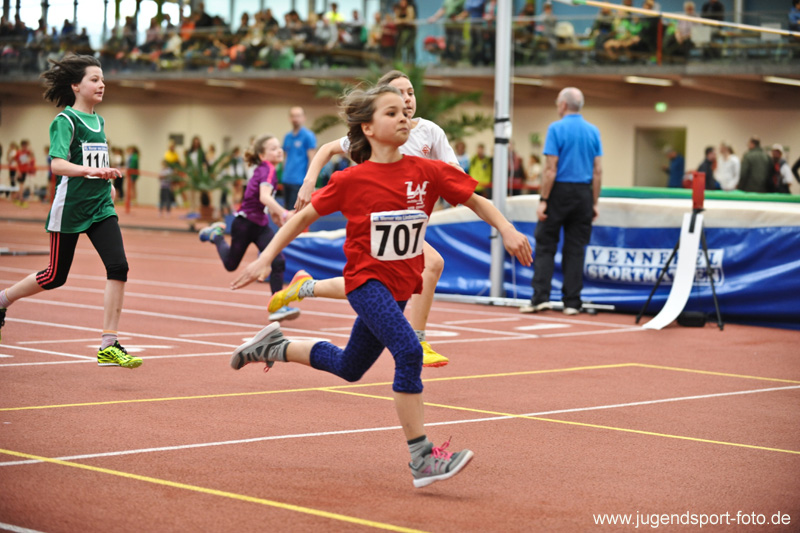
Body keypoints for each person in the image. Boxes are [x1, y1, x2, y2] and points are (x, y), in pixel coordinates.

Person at [228, 84, 532, 488]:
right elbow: (301, 219)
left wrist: (507, 229)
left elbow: (477, 200)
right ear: (368, 128)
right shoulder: (351, 179)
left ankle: (274, 346)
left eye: (404, 111)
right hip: (366, 282)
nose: (403, 116)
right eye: (391, 112)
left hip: (400, 287)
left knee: (350, 367)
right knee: (409, 351)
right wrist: (265, 258)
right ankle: (422, 458)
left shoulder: (427, 172)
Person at [285, 70, 460, 369]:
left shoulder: (430, 131)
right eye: (399, 93)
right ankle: (418, 340)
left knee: (369, 290)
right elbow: (327, 149)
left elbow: (455, 173)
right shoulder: (378, 131)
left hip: (405, 229)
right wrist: (309, 182)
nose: (407, 99)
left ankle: (305, 287)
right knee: (430, 264)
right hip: (375, 225)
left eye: (411, 92)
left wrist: (453, 185)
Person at [0, 54, 140, 368]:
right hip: (71, 209)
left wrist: (106, 180)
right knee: (54, 276)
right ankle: (2, 300)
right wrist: (91, 172)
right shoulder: (65, 121)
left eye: (103, 80)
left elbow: (95, 159)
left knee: (118, 266)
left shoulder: (100, 121)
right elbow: (58, 165)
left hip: (101, 206)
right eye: (94, 79)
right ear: (76, 86)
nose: (102, 84)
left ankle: (108, 344)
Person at [197, 135, 300, 322]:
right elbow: (264, 197)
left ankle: (277, 306)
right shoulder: (267, 169)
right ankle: (216, 236)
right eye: (273, 148)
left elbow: (265, 201)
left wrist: (276, 216)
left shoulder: (268, 170)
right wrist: (285, 213)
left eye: (279, 147)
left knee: (278, 261)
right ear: (262, 155)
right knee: (231, 265)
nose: (279, 151)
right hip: (244, 224)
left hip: (260, 225)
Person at [521, 87, 602, 316]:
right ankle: (572, 302)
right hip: (584, 193)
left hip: (559, 192)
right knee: (576, 249)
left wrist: (544, 199)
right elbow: (597, 171)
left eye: (558, 102)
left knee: (546, 244)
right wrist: (594, 202)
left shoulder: (556, 129)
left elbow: (550, 169)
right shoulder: (593, 131)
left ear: (564, 105)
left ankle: (540, 298)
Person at [281, 106, 317, 211]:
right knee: (286, 212)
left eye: (298, 116)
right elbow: (285, 157)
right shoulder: (287, 137)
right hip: (286, 179)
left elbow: (312, 159)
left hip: (299, 181)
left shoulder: (308, 136)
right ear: (290, 118)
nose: (295, 118)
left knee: (295, 212)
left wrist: (309, 182)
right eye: (293, 116)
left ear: (304, 118)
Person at [13, 139, 36, 207]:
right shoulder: (18, 153)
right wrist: (18, 171)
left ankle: (19, 197)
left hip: (25, 170)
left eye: (26, 146)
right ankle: (20, 198)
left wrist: (30, 146)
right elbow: (16, 162)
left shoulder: (27, 152)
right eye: (25, 146)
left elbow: (32, 155)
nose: (26, 147)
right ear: (22, 146)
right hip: (20, 171)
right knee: (21, 184)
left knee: (22, 184)